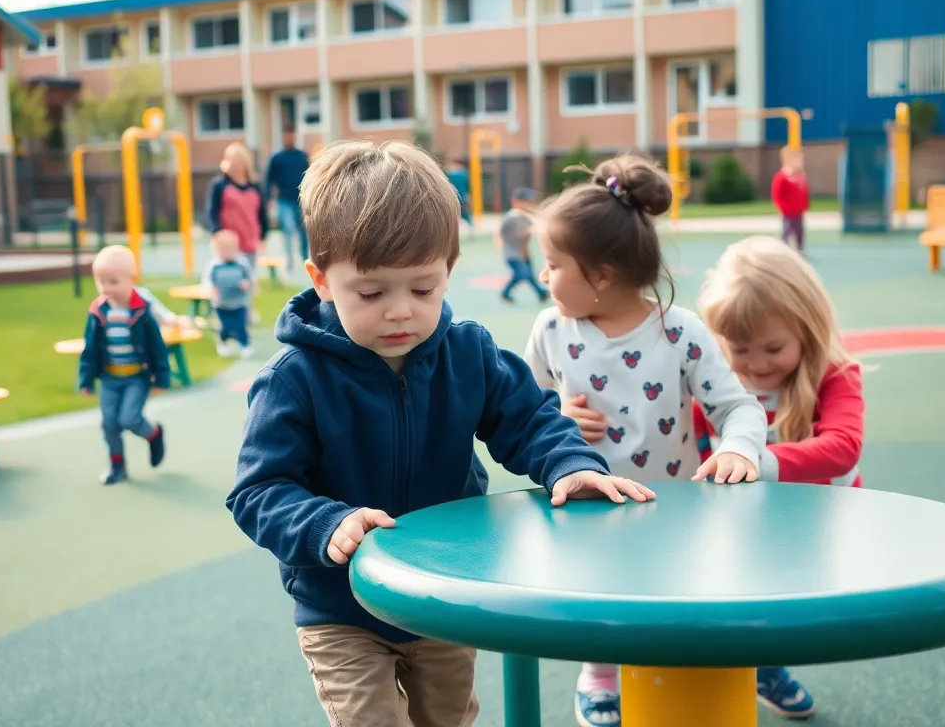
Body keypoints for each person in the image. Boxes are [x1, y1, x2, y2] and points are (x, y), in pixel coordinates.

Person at [226, 140, 656, 727]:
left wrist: (571, 464)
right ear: (322, 280)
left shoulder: (466, 351)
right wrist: (326, 522)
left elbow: (528, 418)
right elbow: (257, 491)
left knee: (449, 720)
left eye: (423, 289)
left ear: (448, 272)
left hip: (443, 592)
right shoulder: (294, 380)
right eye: (372, 293)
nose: (401, 311)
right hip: (341, 608)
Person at [522, 154, 768, 727]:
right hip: (583, 502)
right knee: (596, 593)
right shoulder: (552, 330)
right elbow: (521, 408)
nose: (544, 277)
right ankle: (599, 676)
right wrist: (556, 412)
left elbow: (737, 408)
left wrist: (737, 448)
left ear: (602, 275)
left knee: (672, 589)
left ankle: (688, 668)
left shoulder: (677, 330)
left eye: (554, 265)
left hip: (670, 503)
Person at [695, 234, 866, 719]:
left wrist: (753, 457)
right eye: (739, 348)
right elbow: (680, 420)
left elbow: (843, 446)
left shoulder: (834, 374)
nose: (756, 364)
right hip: (749, 518)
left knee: (789, 604)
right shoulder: (721, 381)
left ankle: (764, 662)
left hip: (819, 519)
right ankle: (754, 664)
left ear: (808, 330)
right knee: (736, 587)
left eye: (773, 347)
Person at [78, 245, 171, 485]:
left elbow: (157, 347)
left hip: (136, 377)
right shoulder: (99, 311)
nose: (106, 288)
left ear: (132, 280)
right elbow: (89, 348)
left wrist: (161, 377)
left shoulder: (141, 311)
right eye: (101, 282)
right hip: (110, 378)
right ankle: (117, 465)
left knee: (129, 418)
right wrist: (86, 379)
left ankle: (154, 433)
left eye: (113, 281)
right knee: (109, 423)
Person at [208, 142, 268, 276]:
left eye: (240, 161)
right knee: (228, 279)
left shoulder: (254, 186)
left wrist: (263, 235)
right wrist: (217, 232)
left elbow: (261, 213)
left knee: (247, 279)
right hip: (228, 243)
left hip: (249, 240)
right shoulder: (219, 185)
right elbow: (212, 211)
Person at [265, 129, 311, 272]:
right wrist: (269, 198)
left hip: (301, 199)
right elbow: (269, 179)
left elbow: (310, 176)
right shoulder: (277, 157)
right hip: (284, 200)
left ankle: (305, 258)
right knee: (288, 229)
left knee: (304, 230)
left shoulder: (302, 156)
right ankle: (289, 261)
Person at [206, 229, 254, 358]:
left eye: (230, 250)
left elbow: (249, 278)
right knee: (224, 326)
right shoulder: (214, 266)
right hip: (221, 302)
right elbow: (208, 281)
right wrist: (212, 290)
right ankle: (223, 343)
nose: (227, 254)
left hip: (239, 302)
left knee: (241, 325)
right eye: (223, 251)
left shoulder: (241, 263)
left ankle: (244, 345)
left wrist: (246, 284)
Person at [499, 186, 549, 303]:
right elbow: (501, 232)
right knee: (523, 273)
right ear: (516, 202)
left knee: (530, 275)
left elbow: (526, 237)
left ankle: (541, 293)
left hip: (523, 252)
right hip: (512, 253)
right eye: (526, 202)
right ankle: (505, 292)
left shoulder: (527, 218)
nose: (529, 205)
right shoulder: (511, 218)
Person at [771, 146, 810, 253]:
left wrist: (805, 205)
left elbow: (803, 192)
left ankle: (800, 248)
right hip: (788, 212)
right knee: (786, 230)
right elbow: (777, 194)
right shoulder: (782, 176)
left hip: (798, 211)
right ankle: (784, 249)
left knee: (800, 231)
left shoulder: (800, 176)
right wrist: (782, 207)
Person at [446, 156, 475, 232]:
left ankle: (456, 231)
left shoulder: (451, 175)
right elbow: (468, 188)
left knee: (456, 215)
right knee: (465, 215)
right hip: (462, 198)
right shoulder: (465, 174)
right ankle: (471, 229)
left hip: (455, 197)